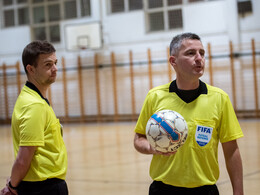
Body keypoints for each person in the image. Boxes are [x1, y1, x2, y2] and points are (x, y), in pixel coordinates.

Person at [134, 33, 244, 195]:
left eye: (202, 53)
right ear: (173, 61)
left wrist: (239, 192)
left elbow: (231, 150)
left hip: (205, 190)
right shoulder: (155, 96)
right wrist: (152, 147)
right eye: (191, 53)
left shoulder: (219, 98)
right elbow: (139, 139)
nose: (199, 58)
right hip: (163, 189)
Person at [0, 40, 68, 195]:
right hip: (43, 188)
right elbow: (24, 157)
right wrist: (12, 186)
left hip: (45, 185)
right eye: (48, 65)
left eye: (55, 63)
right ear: (30, 69)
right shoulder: (34, 105)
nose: (55, 69)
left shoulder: (35, 98)